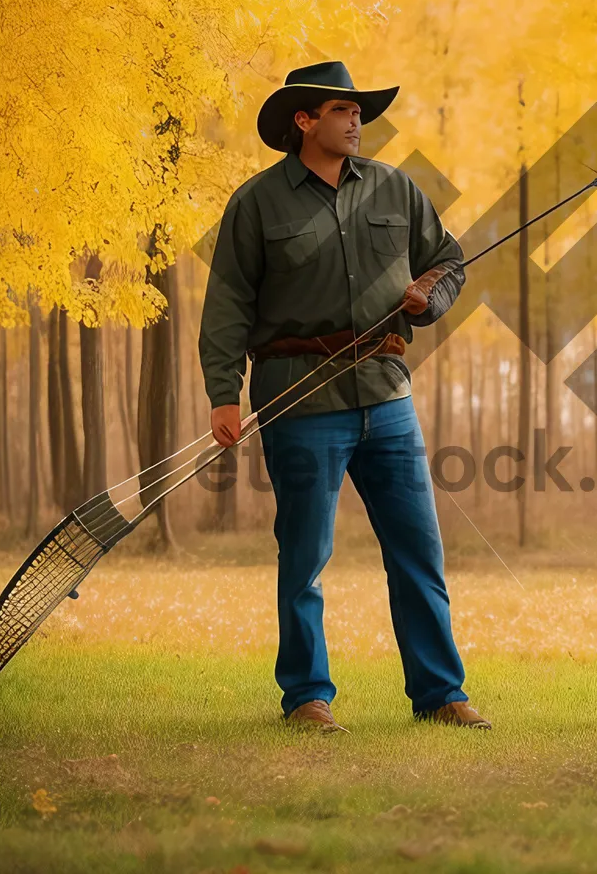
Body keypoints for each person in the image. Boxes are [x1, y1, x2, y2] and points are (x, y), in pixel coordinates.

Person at [197, 59, 491, 732]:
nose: (357, 119)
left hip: (387, 398)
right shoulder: (257, 202)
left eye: (359, 111)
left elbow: (450, 259)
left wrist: (429, 297)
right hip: (298, 405)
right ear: (304, 120)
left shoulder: (395, 189)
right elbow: (227, 306)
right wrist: (224, 394)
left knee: (419, 551)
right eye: (342, 110)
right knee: (304, 556)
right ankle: (306, 697)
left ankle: (442, 693)